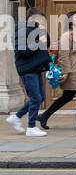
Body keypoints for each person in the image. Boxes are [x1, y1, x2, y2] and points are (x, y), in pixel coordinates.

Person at [38, 11, 76, 132]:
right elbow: (63, 55)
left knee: (67, 96)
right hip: (72, 72)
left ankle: (44, 115)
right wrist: (66, 72)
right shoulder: (66, 36)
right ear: (70, 21)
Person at [7, 10, 51, 138]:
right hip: (27, 69)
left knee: (40, 96)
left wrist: (43, 34)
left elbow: (45, 45)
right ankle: (31, 127)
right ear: (31, 18)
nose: (42, 22)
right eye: (40, 19)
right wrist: (38, 42)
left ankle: (16, 117)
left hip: (36, 67)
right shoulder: (21, 31)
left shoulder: (36, 30)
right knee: (36, 97)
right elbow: (23, 52)